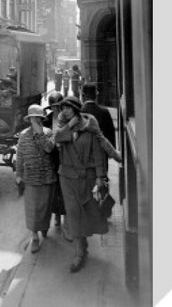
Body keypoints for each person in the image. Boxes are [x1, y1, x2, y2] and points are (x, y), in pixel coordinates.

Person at [54, 97, 109, 273]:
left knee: (86, 213)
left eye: (69, 107)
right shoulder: (62, 127)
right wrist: (69, 125)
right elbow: (57, 138)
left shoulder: (90, 128)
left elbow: (98, 154)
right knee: (73, 214)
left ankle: (83, 245)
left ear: (76, 109)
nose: (65, 110)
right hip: (67, 177)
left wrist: (100, 177)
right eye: (63, 107)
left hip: (87, 177)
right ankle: (78, 254)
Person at [15, 104, 57, 254]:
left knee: (45, 208)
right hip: (31, 179)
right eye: (33, 118)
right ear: (29, 119)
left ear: (42, 119)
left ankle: (44, 227)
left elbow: (49, 148)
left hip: (47, 178)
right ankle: (34, 237)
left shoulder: (48, 133)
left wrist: (40, 134)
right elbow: (19, 156)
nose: (36, 120)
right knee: (32, 210)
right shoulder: (23, 135)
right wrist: (18, 174)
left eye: (38, 118)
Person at [43, 91, 66, 230]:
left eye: (58, 106)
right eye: (53, 106)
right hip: (51, 160)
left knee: (64, 189)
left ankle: (64, 216)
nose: (56, 109)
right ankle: (56, 215)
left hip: (65, 159)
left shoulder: (68, 119)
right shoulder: (46, 120)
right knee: (53, 189)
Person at [80, 82, 116, 147]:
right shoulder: (104, 112)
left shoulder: (79, 112)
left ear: (83, 95)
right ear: (96, 95)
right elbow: (111, 135)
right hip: (101, 152)